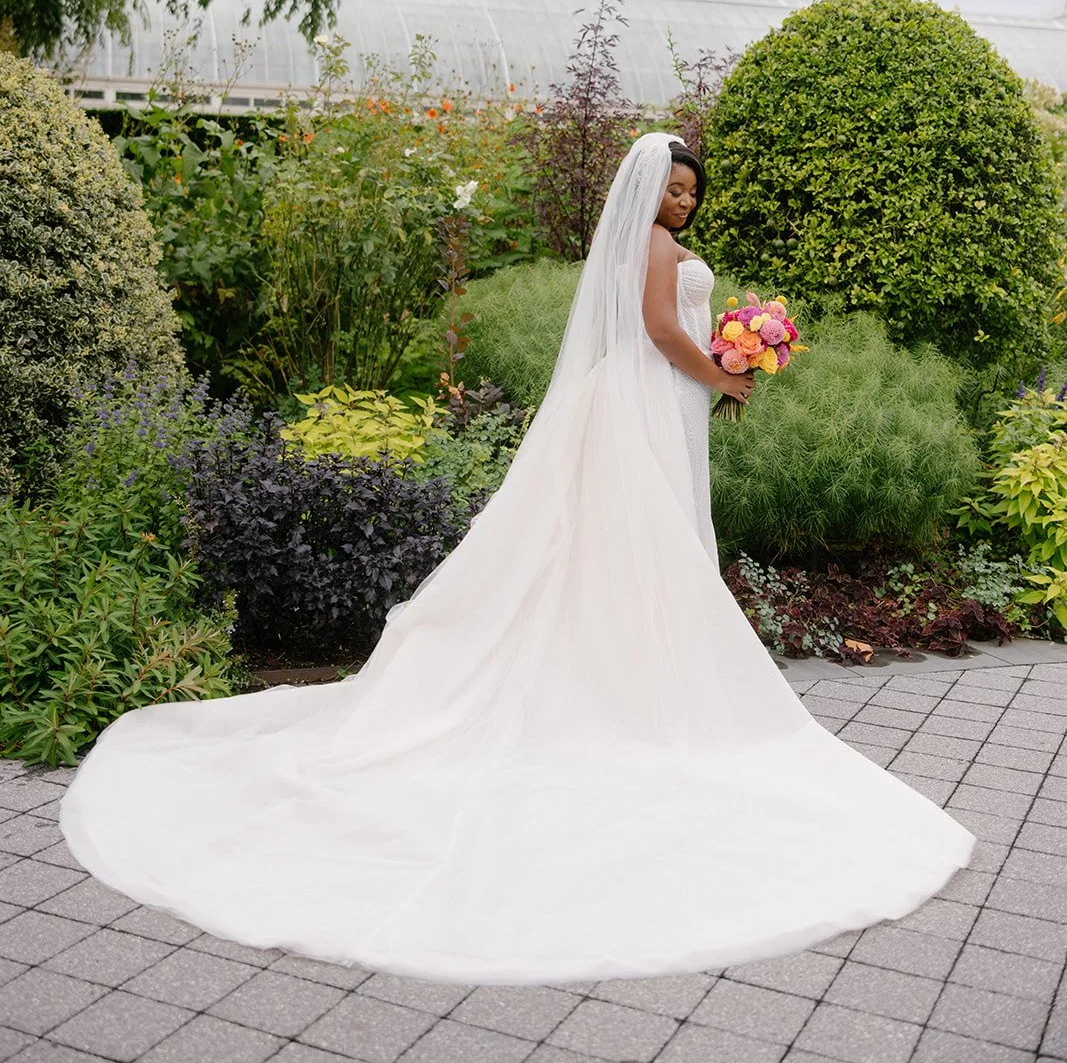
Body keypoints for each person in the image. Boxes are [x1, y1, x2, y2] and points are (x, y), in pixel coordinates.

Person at [60, 132, 975, 985]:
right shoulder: (654, 247)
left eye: (692, 192)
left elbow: (664, 332)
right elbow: (663, 333)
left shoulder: (641, 244)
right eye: (673, 188)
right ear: (645, 190)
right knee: (642, 534)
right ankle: (635, 685)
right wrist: (723, 372)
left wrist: (728, 357)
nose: (684, 201)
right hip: (649, 393)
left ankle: (620, 669)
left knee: (621, 538)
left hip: (645, 395)